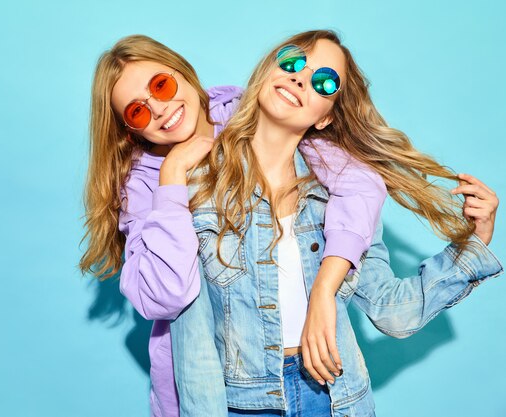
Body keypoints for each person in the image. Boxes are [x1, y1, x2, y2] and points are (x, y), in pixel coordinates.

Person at [170, 30, 501, 417]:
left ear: (325, 117)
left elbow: (390, 309)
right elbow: (192, 343)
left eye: (323, 82)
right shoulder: (197, 184)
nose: (300, 78)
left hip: (335, 400)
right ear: (266, 71)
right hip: (244, 406)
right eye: (292, 62)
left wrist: (474, 243)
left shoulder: (345, 201)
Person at [81, 34, 390, 417]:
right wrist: (173, 176)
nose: (159, 109)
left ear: (185, 73)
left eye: (161, 85)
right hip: (214, 396)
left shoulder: (255, 110)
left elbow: (360, 181)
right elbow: (165, 295)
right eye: (138, 111)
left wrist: (326, 288)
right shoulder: (143, 189)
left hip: (317, 380)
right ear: (132, 131)